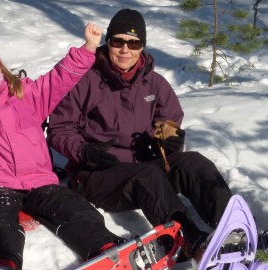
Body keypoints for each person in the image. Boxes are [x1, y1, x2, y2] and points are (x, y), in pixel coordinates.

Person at [0, 23, 123, 270]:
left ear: (0, 64)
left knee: (75, 209)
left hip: (39, 180)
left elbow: (61, 77)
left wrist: (90, 47)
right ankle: (1, 263)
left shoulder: (27, 93)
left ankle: (108, 251)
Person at [47, 9, 233, 262]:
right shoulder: (86, 81)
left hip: (143, 167)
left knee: (193, 162)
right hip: (97, 175)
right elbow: (59, 129)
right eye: (118, 41)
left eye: (133, 43)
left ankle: (234, 230)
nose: (125, 49)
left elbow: (167, 120)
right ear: (108, 42)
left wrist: (167, 139)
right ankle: (194, 243)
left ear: (141, 47)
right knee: (148, 175)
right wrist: (85, 151)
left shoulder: (154, 83)